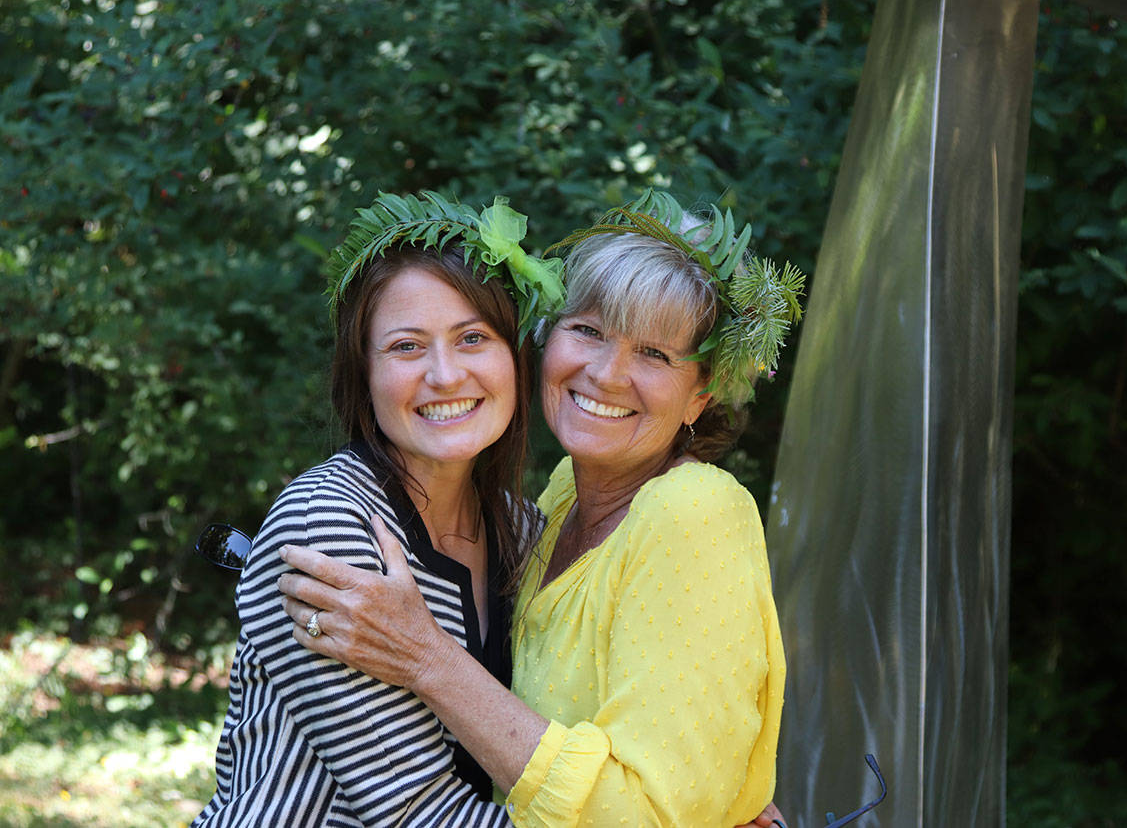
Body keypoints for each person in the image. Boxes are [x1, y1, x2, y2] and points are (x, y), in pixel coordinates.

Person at [278, 189, 804, 827]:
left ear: (701, 395)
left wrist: (425, 655)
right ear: (545, 339)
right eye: (588, 331)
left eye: (655, 353)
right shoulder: (546, 511)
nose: (607, 374)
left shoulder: (691, 511)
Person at [193, 190, 565, 826]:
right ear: (362, 374)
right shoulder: (329, 524)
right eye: (406, 347)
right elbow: (413, 811)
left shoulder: (524, 530)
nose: (446, 375)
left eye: (473, 337)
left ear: (514, 359)